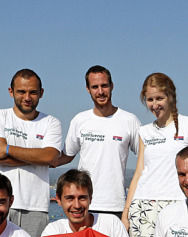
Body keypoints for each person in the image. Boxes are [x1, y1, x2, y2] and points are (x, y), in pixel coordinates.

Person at [122, 73, 188, 237]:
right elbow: (139, 172)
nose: (155, 105)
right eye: (150, 100)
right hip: (143, 206)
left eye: (160, 98)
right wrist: (126, 212)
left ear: (171, 96)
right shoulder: (144, 132)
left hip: (179, 203)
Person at [0, 69, 63, 237]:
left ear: (41, 93)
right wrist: (40, 158)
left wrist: (7, 148)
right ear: (11, 91)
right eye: (21, 92)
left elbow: (50, 156)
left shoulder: (51, 123)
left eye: (33, 92)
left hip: (36, 206)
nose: (27, 98)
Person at [53, 66, 141, 218]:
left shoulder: (129, 120)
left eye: (104, 86)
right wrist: (35, 161)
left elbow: (145, 158)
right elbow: (66, 156)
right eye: (95, 87)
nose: (100, 92)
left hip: (116, 206)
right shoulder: (80, 120)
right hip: (83, 205)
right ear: (88, 89)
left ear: (111, 86)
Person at [42, 169, 131, 237]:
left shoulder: (112, 224)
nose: (77, 205)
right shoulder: (53, 231)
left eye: (82, 198)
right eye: (69, 198)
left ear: (90, 199)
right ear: (58, 200)